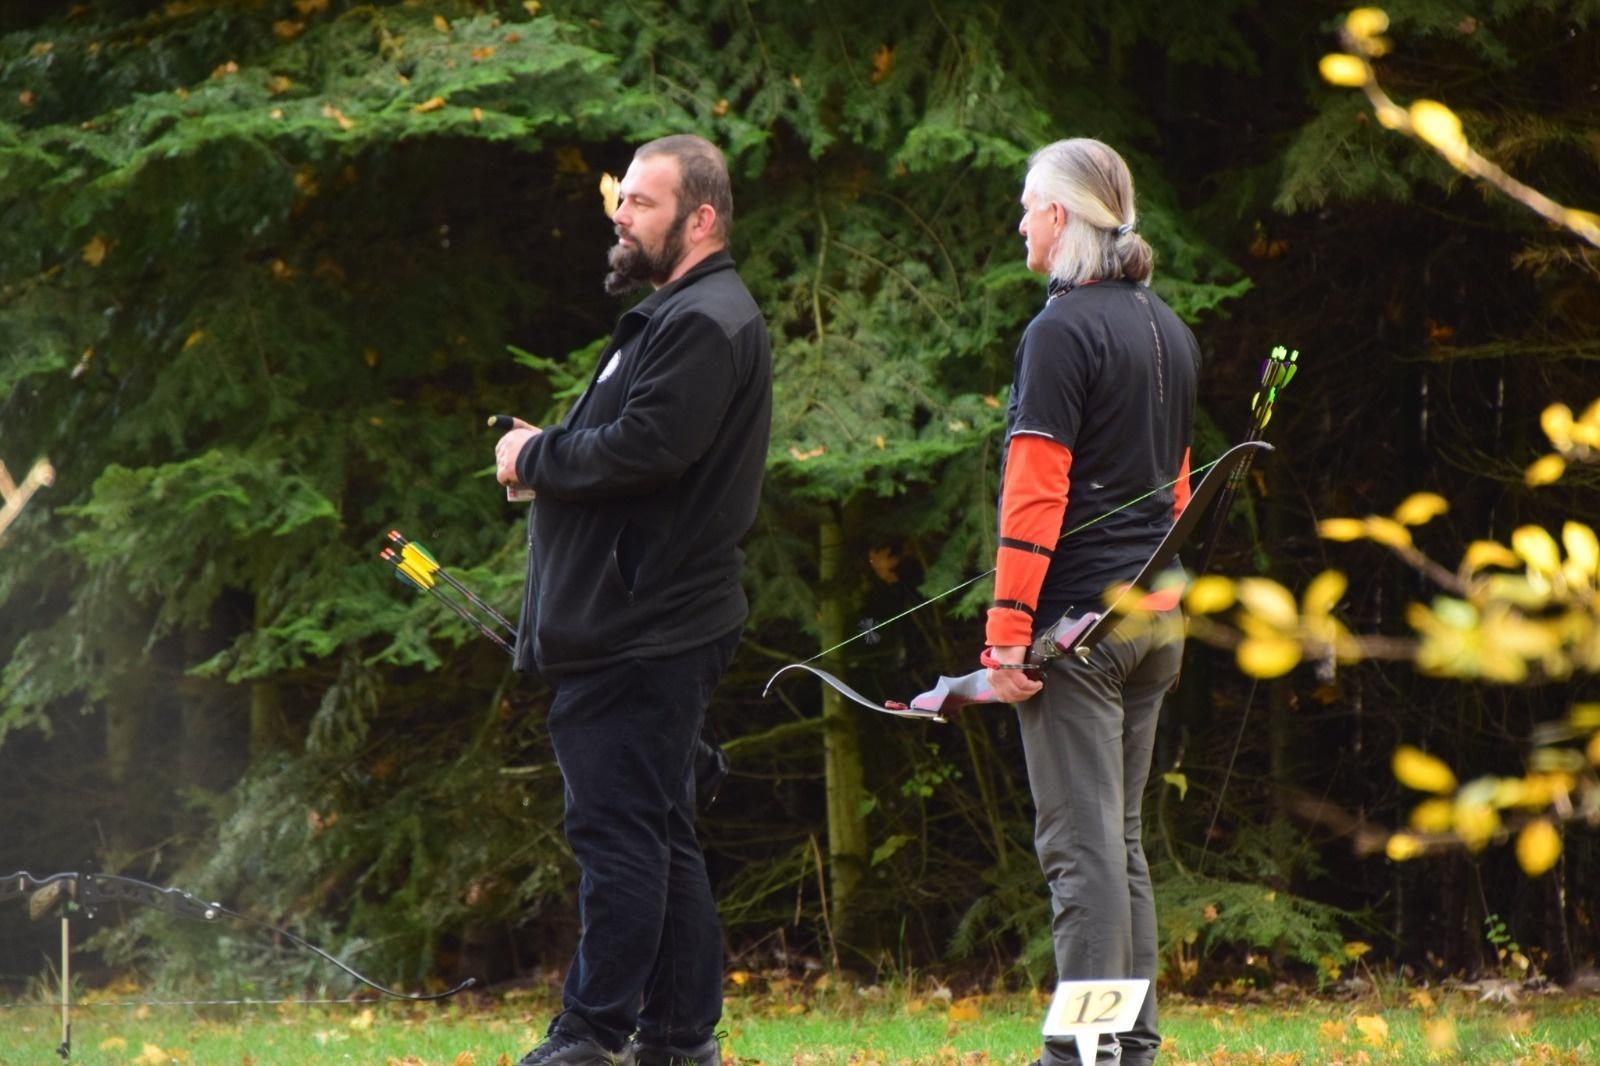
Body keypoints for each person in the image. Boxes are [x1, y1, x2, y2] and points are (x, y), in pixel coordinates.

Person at [493, 134, 772, 1066]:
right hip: (634, 625)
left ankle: (590, 1034)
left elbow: (649, 448)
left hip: (644, 629)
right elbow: (629, 445)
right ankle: (682, 1038)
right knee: (658, 829)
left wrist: (538, 457)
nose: (621, 215)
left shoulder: (702, 320)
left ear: (700, 219)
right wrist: (555, 457)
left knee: (618, 835)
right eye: (622, 201)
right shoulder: (677, 315)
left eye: (643, 203)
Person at [983, 138, 1198, 1066]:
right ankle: (1130, 1046)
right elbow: (1179, 493)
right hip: (1155, 619)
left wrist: (1006, 634)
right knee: (1120, 843)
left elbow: (1034, 493)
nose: (1021, 222)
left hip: (1080, 630)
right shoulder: (1168, 328)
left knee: (1082, 853)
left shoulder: (1059, 331)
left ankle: (1083, 1056)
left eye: (1029, 206)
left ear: (1061, 216)